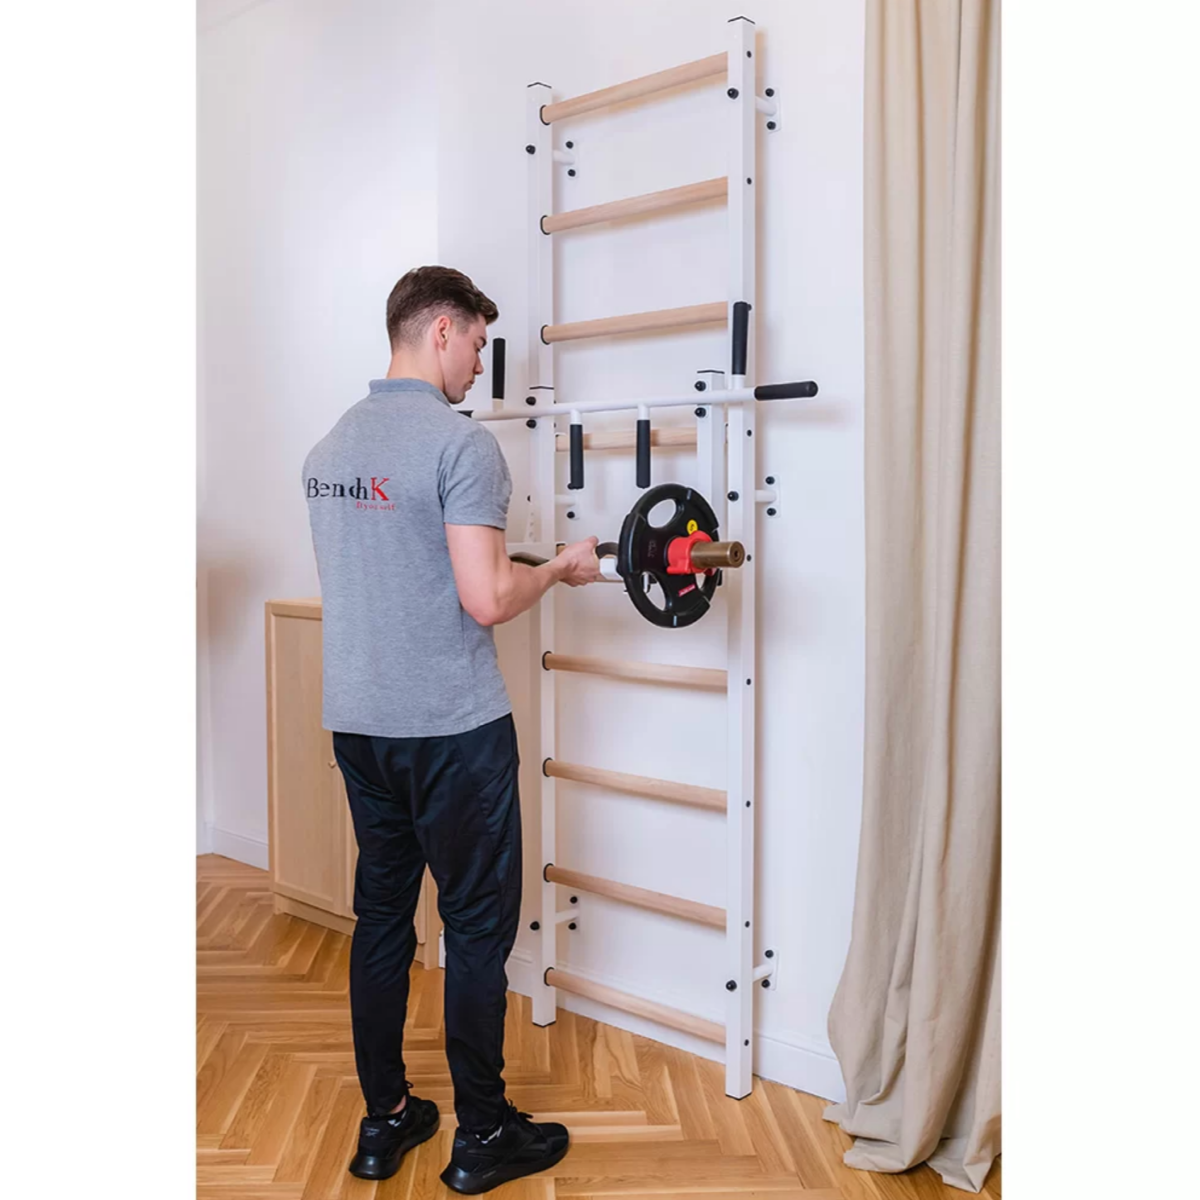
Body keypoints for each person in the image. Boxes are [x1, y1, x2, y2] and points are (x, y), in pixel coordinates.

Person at [303, 266, 603, 1192]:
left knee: (383, 919)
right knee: (475, 929)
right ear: (440, 330)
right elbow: (484, 599)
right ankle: (481, 1137)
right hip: (451, 733)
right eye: (475, 342)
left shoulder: (326, 451)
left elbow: (395, 573)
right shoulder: (460, 447)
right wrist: (556, 570)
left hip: (360, 728)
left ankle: (384, 1121)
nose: (479, 364)